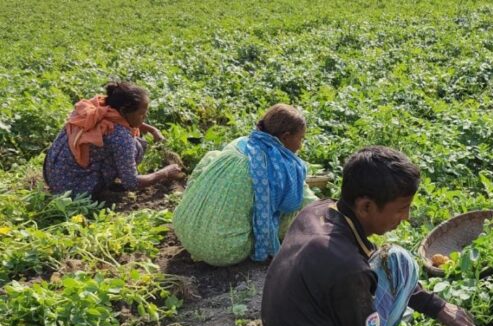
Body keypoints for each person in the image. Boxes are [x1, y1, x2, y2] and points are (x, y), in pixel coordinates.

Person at [261, 146, 482, 326]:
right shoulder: (347, 268)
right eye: (401, 208)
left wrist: (436, 306)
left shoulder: (319, 212)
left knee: (395, 259)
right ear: (365, 206)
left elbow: (373, 261)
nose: (406, 217)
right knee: (401, 263)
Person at [172, 104, 317, 267]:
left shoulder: (239, 143)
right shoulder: (280, 165)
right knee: (292, 210)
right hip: (224, 251)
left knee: (213, 156)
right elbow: (309, 202)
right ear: (285, 137)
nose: (300, 145)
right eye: (301, 138)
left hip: (183, 228)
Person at [43, 81, 181, 197]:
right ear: (124, 110)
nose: (144, 118)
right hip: (71, 191)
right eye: (141, 114)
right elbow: (132, 184)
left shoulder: (97, 107)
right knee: (136, 147)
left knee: (131, 144)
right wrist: (164, 172)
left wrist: (152, 130)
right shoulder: (121, 138)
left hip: (53, 174)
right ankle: (94, 186)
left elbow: (122, 121)